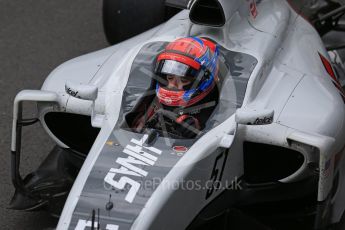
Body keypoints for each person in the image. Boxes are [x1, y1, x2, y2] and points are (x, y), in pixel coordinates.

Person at [132, 37, 220, 138]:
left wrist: (196, 127)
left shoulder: (218, 105)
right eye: (170, 77)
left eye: (183, 80)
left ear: (204, 80)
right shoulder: (153, 96)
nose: (172, 85)